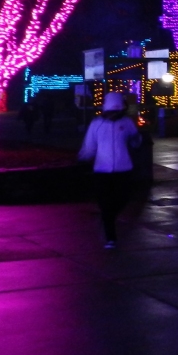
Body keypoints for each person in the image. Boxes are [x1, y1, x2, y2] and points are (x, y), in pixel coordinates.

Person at [77, 91, 140, 248]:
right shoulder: (96, 124)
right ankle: (110, 237)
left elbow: (135, 142)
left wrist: (136, 139)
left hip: (123, 168)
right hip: (102, 170)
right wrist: (82, 157)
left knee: (123, 198)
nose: (114, 114)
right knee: (105, 203)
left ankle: (108, 219)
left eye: (117, 111)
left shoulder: (126, 123)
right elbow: (90, 147)